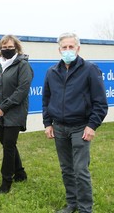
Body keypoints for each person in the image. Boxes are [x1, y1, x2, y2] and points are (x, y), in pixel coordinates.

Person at [42, 32, 108, 213]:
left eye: (71, 47)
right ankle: (73, 203)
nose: (68, 50)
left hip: (81, 127)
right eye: (65, 47)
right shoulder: (51, 72)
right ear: (59, 50)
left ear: (78, 48)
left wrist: (92, 125)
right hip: (59, 128)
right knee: (66, 169)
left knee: (80, 171)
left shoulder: (90, 69)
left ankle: (86, 209)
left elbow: (101, 102)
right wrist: (48, 123)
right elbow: (46, 100)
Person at [0, 35, 34, 194]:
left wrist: (3, 107)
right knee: (7, 144)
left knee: (8, 146)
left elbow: (22, 91)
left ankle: (6, 181)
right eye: (4, 48)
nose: (6, 50)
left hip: (14, 113)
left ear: (17, 48)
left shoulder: (23, 65)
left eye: (10, 47)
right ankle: (20, 172)